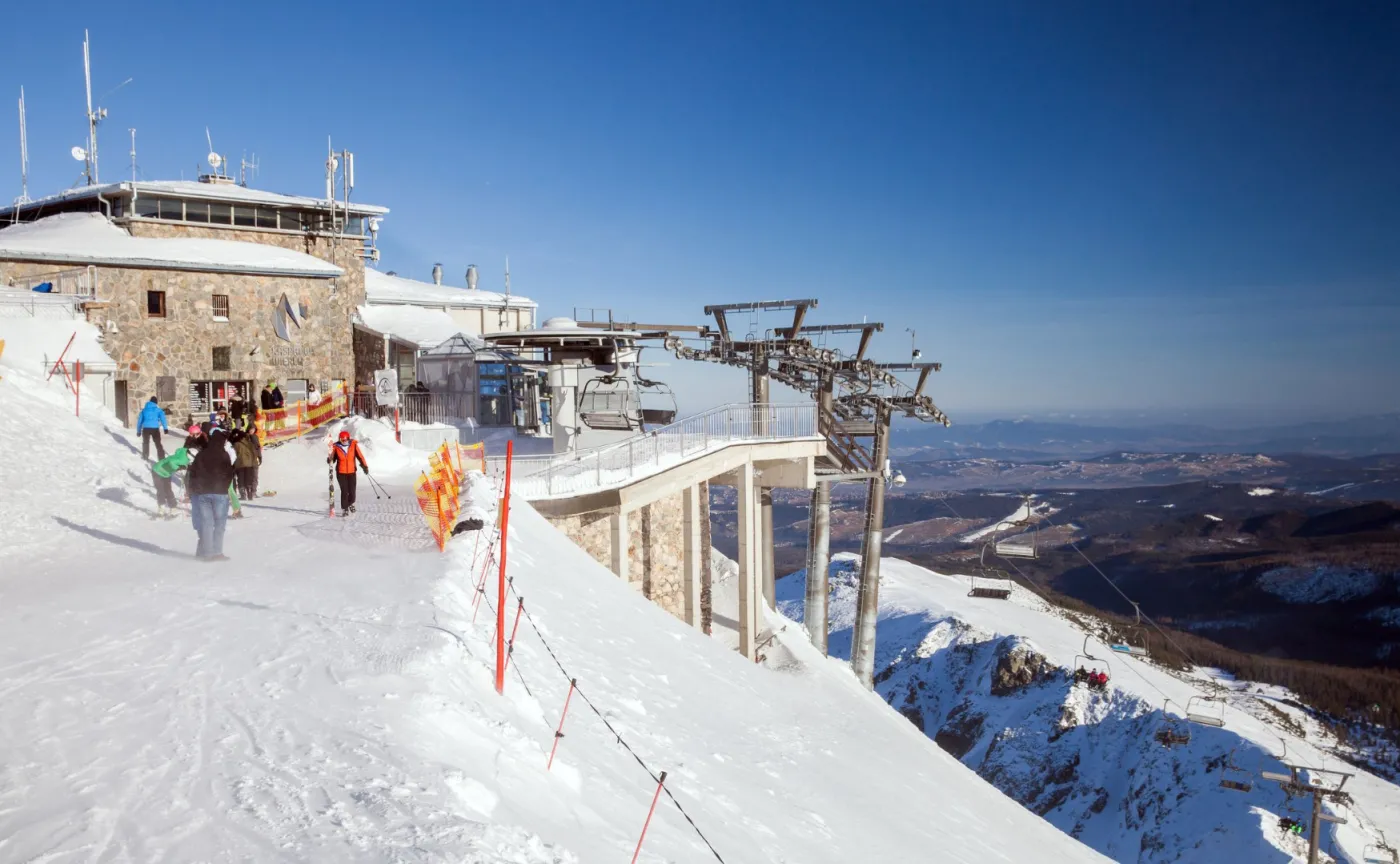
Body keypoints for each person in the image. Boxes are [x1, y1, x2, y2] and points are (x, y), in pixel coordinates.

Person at [187, 425, 237, 560]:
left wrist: (196, 489)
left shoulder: (201, 454)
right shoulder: (224, 454)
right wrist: (224, 486)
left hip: (203, 493)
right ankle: (217, 552)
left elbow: (194, 472)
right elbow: (230, 472)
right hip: (220, 493)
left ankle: (207, 553)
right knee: (219, 524)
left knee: (207, 524)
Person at [150, 433, 197, 519]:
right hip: (157, 471)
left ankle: (173, 507)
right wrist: (179, 467)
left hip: (166, 473)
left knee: (168, 490)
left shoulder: (184, 451)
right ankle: (161, 508)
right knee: (160, 490)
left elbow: (179, 450)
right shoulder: (182, 459)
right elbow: (171, 462)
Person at [327, 429, 369, 516]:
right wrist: (330, 459)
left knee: (352, 491)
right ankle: (345, 508)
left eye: (345, 440)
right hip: (341, 473)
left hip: (351, 472)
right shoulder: (336, 447)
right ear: (340, 439)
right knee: (344, 491)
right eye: (342, 440)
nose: (344, 441)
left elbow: (360, 456)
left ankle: (351, 503)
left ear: (348, 439)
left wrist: (364, 466)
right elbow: (333, 459)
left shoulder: (353, 445)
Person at [231, 420, 262, 501]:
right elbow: (254, 452)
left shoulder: (235, 444)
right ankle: (250, 494)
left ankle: (243, 495)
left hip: (240, 464)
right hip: (249, 464)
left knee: (241, 479)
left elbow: (233, 455)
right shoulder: (249, 442)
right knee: (248, 478)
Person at [136, 396, 169, 461]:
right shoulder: (158, 410)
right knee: (158, 443)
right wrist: (165, 428)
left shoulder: (144, 410)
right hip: (155, 429)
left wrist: (138, 431)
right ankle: (161, 459)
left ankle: (145, 456)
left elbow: (139, 421)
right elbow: (163, 419)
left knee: (145, 442)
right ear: (156, 403)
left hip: (146, 429)